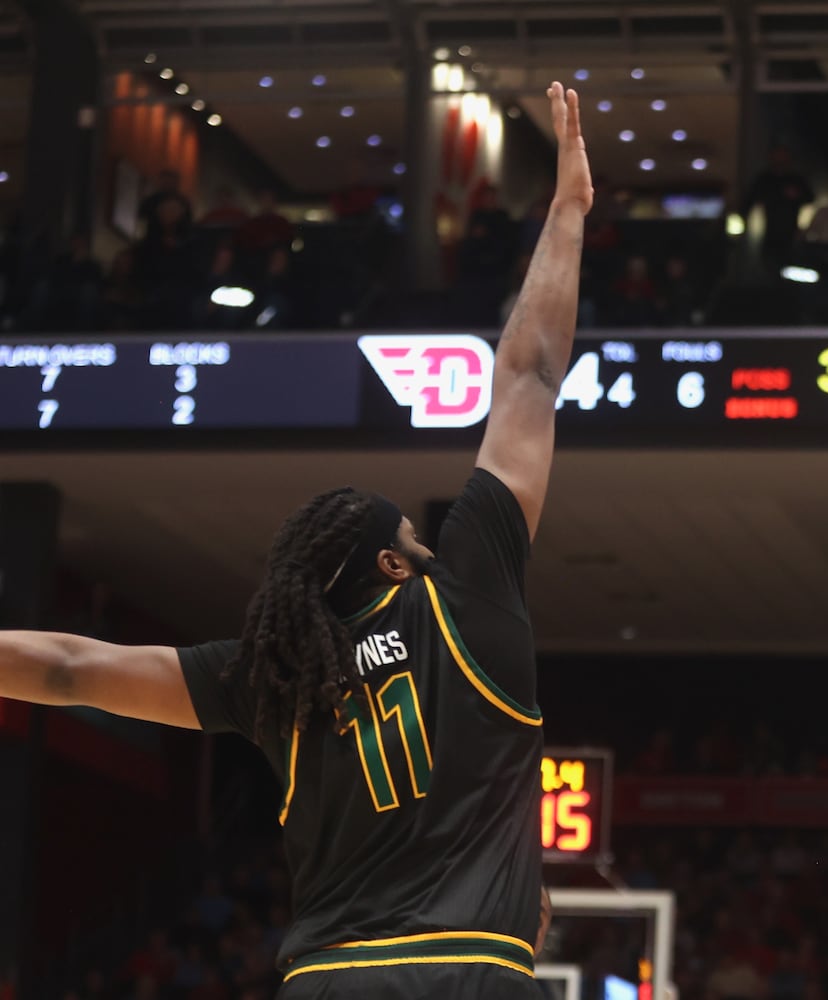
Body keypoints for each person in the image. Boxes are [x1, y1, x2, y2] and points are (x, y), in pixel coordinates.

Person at [0, 81, 592, 998]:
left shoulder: (274, 674)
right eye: (409, 533)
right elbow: (530, 370)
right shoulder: (465, 591)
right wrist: (565, 214)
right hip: (466, 972)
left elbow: (71, 668)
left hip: (326, 978)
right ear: (398, 563)